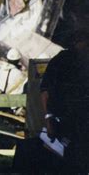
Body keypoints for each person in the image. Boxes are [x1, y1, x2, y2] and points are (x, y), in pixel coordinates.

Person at [39, 30, 89, 171]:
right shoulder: (60, 62)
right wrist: (49, 119)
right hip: (65, 121)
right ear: (76, 42)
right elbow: (45, 92)